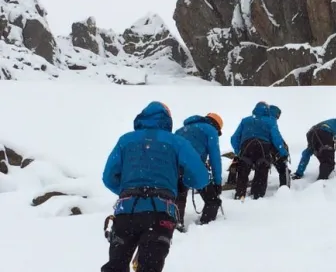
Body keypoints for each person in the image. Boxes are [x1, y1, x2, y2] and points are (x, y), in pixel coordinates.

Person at [101, 101, 209, 272]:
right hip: (160, 212)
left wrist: (127, 192)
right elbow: (201, 178)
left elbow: (108, 178)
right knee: (150, 266)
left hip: (126, 211)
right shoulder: (176, 142)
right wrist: (181, 183)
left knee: (116, 265)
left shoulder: (125, 140)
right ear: (167, 120)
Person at [174, 112, 224, 231]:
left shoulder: (180, 130)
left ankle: (176, 225)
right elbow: (215, 157)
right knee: (212, 200)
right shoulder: (210, 130)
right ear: (216, 126)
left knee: (179, 198)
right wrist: (217, 182)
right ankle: (205, 228)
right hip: (194, 167)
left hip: (174, 167)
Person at [230, 102, 289, 200]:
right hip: (263, 147)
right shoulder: (270, 122)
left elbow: (234, 138)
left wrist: (238, 151)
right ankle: (257, 195)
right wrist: (283, 152)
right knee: (261, 171)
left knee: (243, 171)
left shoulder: (245, 120)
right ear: (267, 110)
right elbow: (276, 139)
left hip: (246, 147)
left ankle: (240, 195)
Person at [269, 105, 291, 187]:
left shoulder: (259, 119)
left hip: (254, 147)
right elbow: (276, 137)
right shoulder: (271, 120)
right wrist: (283, 151)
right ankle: (284, 186)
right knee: (282, 166)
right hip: (270, 147)